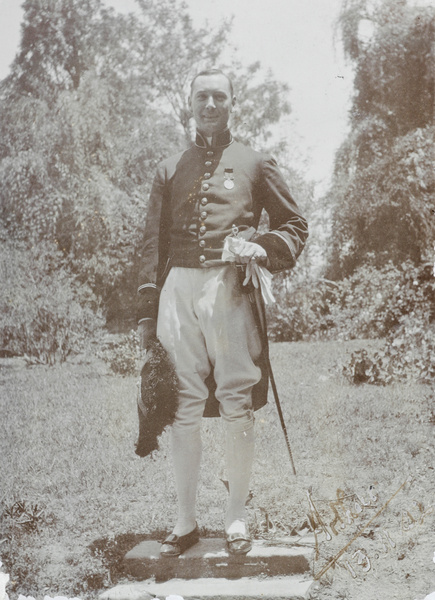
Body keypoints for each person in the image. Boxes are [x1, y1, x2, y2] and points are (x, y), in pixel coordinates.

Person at [136, 68, 308, 557]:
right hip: (178, 292)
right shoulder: (170, 168)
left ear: (233, 103)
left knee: (236, 397)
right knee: (183, 402)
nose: (210, 104)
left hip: (230, 288)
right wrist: (149, 313)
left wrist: (262, 248)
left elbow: (296, 225)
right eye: (201, 96)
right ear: (189, 102)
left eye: (219, 96)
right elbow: (152, 244)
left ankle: (235, 517)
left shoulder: (254, 163)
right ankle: (185, 520)